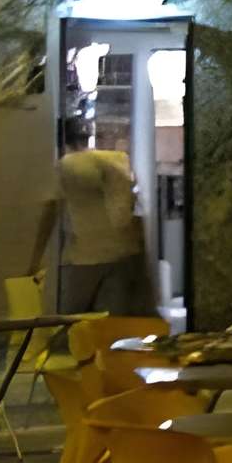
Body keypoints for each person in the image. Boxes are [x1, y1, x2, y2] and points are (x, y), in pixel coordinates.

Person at [37, 113, 154, 316]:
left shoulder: (66, 165)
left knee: (71, 320)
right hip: (125, 252)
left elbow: (50, 211)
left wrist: (34, 259)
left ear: (62, 140)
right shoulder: (118, 159)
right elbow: (133, 203)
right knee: (117, 321)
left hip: (87, 256)